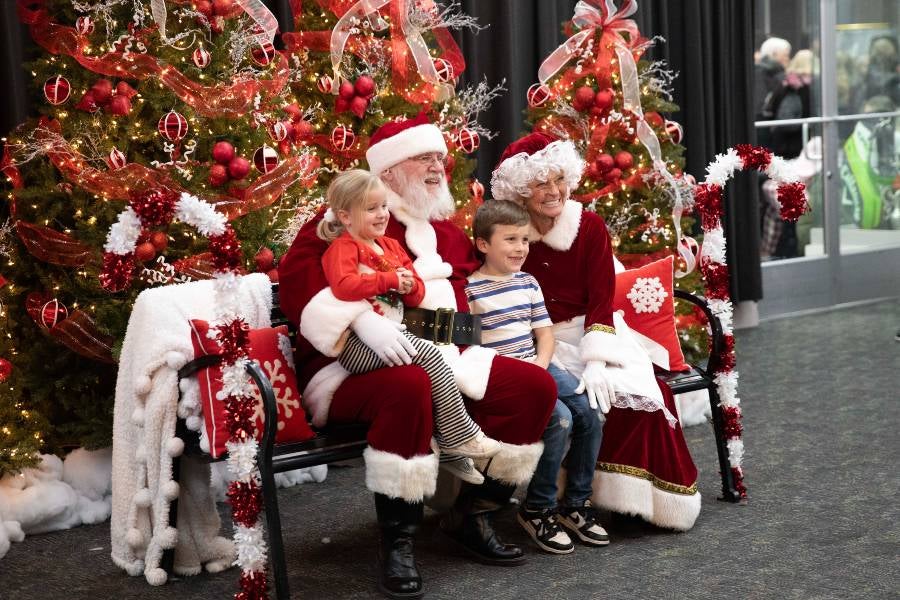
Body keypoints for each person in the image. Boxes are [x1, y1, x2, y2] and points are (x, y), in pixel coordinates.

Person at [278, 114, 556, 599]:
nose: (436, 167)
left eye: (439, 158)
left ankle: (473, 514)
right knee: (410, 385)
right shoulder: (337, 221)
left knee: (534, 386)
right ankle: (398, 541)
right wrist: (360, 320)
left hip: (441, 353)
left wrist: (460, 343)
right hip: (349, 364)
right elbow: (299, 286)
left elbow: (467, 311)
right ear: (387, 171)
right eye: (423, 158)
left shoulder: (445, 232)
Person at [491, 132, 701, 531]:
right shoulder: (510, 234)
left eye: (559, 180)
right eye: (540, 183)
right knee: (583, 408)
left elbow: (603, 299)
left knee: (644, 398)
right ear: (520, 189)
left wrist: (598, 361)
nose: (553, 192)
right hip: (539, 341)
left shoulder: (588, 226)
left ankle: (638, 503)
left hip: (596, 331)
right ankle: (571, 497)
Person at [317, 169, 501, 480]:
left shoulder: (391, 246)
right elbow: (343, 286)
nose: (381, 214)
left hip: (396, 335)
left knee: (431, 366)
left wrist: (409, 285)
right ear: (346, 217)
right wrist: (388, 280)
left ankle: (450, 450)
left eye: (384, 206)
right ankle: (461, 436)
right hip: (358, 347)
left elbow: (416, 294)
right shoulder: (344, 248)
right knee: (429, 356)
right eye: (371, 209)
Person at [465, 200, 608, 555]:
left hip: (538, 365)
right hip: (505, 374)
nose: (520, 248)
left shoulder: (528, 282)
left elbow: (544, 335)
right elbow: (470, 350)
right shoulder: (470, 291)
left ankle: (576, 502)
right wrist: (526, 377)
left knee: (590, 414)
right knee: (560, 419)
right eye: (510, 240)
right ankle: (538, 508)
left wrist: (540, 368)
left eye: (525, 240)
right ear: (483, 244)